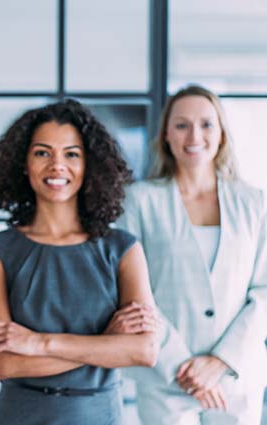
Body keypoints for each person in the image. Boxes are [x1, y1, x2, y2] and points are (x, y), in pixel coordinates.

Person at [0, 100, 159, 425]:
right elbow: (2, 364)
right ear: (23, 163)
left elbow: (143, 352)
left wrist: (37, 343)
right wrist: (106, 344)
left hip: (99, 415)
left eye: (71, 154)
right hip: (19, 415)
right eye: (42, 153)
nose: (57, 165)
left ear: (90, 164)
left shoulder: (123, 249)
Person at [118, 85, 267, 424]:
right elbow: (133, 292)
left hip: (235, 376)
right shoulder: (139, 201)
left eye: (206, 124)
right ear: (166, 134)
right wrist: (184, 367)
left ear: (222, 134)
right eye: (182, 124)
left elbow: (264, 291)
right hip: (165, 375)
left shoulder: (254, 202)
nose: (194, 135)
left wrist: (219, 362)